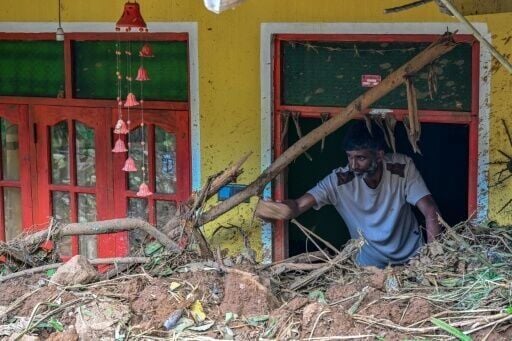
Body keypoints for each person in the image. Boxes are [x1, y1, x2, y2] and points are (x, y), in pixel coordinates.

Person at [256, 120, 442, 268]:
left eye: (360, 158)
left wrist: (432, 258)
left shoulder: (401, 167)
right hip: (368, 270)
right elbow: (298, 205)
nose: (353, 165)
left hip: (412, 261)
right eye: (349, 157)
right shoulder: (339, 181)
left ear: (379, 155)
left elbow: (430, 209)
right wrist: (283, 210)